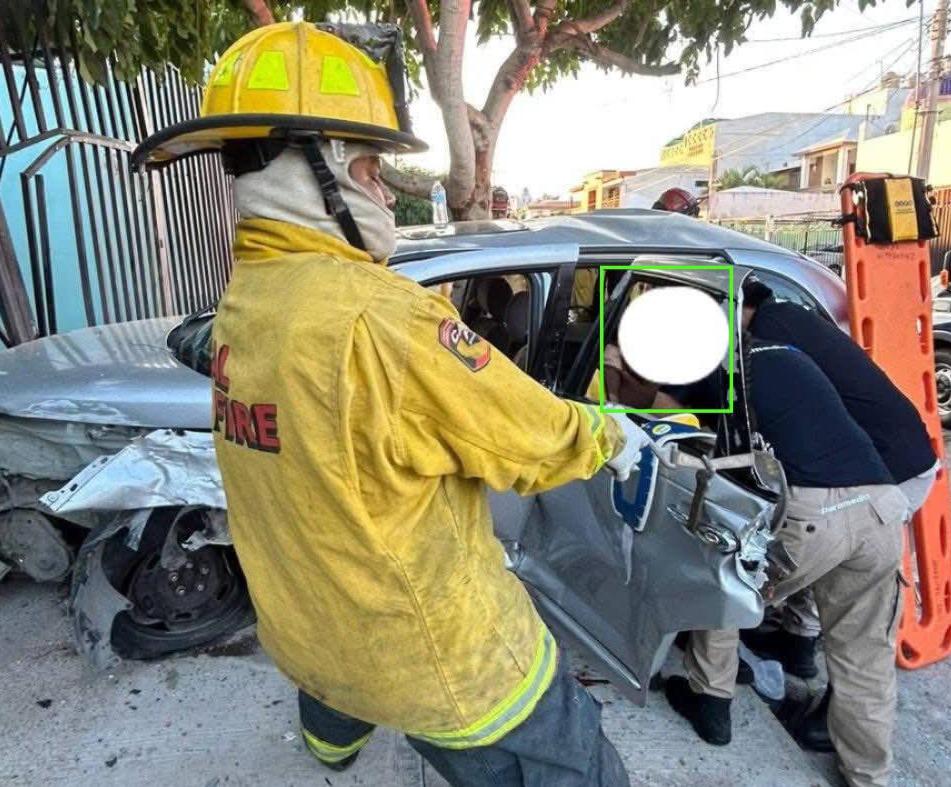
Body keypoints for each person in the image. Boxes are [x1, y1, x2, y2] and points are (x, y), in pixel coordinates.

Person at [132, 22, 653, 787]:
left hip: (315, 639)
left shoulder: (248, 303)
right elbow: (527, 435)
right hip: (454, 671)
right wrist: (612, 437)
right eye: (372, 168)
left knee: (342, 692)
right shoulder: (381, 319)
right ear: (321, 169)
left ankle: (333, 748)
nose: (382, 190)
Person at [665, 333, 910, 787]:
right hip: (882, 506)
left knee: (724, 579)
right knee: (864, 657)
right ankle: (869, 777)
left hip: (816, 518)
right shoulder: (789, 352)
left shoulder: (709, 369)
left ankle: (711, 703)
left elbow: (666, 424)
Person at [737, 280, 938, 748]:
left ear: (742, 308)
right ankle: (799, 646)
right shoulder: (790, 317)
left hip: (886, 470)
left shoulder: (770, 333)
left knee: (854, 611)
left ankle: (833, 722)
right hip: (899, 459)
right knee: (837, 559)